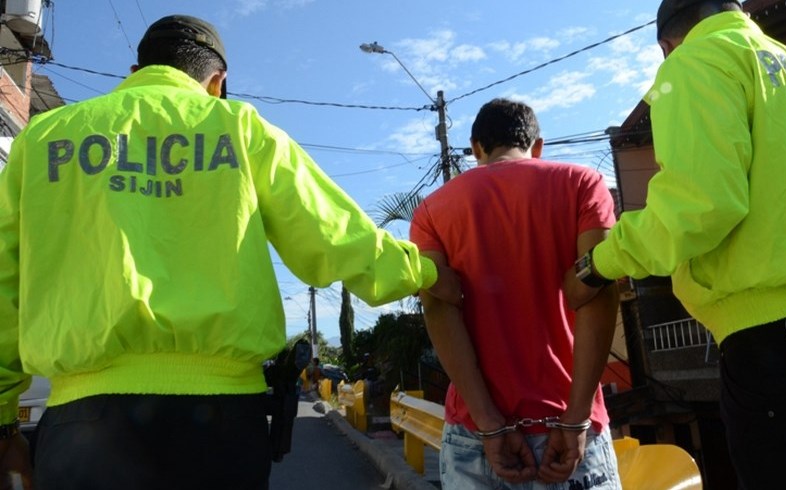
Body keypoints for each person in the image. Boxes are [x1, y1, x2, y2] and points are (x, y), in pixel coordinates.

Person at [0, 14, 458, 490]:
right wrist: (425, 273)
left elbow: (4, 283)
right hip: (219, 424)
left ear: (135, 71)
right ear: (216, 82)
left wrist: (3, 425)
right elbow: (338, 237)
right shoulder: (243, 131)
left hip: (81, 428)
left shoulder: (43, 139)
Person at [585, 1, 786, 488]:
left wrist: (601, 262)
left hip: (781, 347)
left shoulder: (696, 62)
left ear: (666, 45)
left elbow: (700, 206)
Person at [410, 98, 622, 489]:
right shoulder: (582, 184)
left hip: (476, 433)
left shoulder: (432, 210)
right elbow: (599, 292)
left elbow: (439, 309)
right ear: (538, 146)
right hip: (572, 425)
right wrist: (576, 416)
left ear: (476, 148)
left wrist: (489, 423)